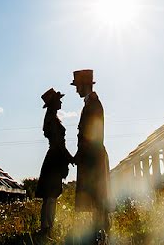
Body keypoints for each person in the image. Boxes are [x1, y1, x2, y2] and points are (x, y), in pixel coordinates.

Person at [71, 69, 111, 240]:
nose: (76, 90)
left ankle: (101, 233)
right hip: (91, 156)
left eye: (77, 86)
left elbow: (91, 134)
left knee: (97, 196)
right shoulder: (90, 103)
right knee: (96, 196)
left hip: (93, 157)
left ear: (84, 85)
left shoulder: (93, 104)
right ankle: (99, 233)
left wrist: (81, 154)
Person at [36, 87, 72, 236]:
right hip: (55, 158)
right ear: (53, 103)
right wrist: (69, 157)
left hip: (54, 157)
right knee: (51, 194)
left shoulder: (52, 118)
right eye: (59, 100)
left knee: (50, 195)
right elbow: (58, 143)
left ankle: (46, 226)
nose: (61, 102)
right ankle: (47, 227)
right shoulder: (52, 119)